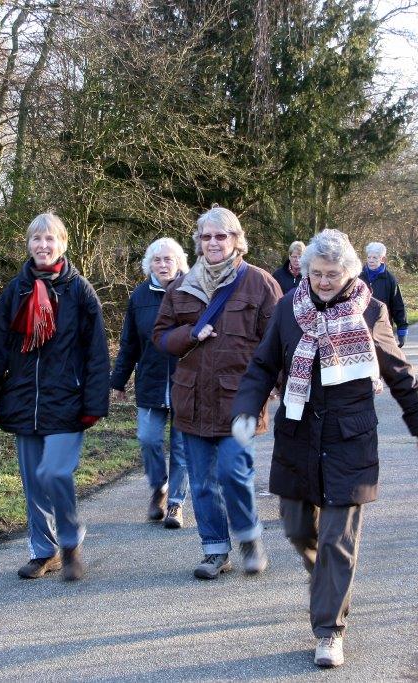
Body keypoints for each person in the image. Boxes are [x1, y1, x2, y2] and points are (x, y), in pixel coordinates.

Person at [231, 229, 418, 668]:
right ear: (305, 271)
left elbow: (399, 374)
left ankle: (329, 631)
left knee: (337, 540)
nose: (323, 282)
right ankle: (329, 583)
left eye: (332, 274)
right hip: (298, 434)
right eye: (316, 273)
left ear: (349, 273)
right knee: (295, 528)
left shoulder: (372, 311)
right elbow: (264, 364)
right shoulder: (289, 307)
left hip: (349, 439)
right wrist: (246, 410)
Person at [0, 212, 109, 583]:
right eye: (36, 239)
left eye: (50, 239)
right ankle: (43, 551)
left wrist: (95, 404)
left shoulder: (80, 292)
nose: (43, 246)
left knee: (55, 472)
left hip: (68, 402)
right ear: (28, 244)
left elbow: (96, 353)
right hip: (22, 400)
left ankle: (69, 542)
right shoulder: (15, 291)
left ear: (63, 244)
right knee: (33, 480)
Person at [153, 206, 283, 580]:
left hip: (240, 400)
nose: (213, 242)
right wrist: (189, 334)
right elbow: (160, 337)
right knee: (203, 482)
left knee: (233, 473)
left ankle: (249, 536)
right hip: (191, 400)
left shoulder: (259, 284)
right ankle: (214, 551)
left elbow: (277, 341)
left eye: (221, 236)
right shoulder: (181, 287)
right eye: (207, 236)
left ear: (236, 240)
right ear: (198, 242)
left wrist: (281, 387)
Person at [110, 238, 191, 529]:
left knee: (182, 448)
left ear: (179, 262)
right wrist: (119, 379)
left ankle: (176, 505)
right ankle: (159, 486)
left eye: (168, 259)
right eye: (157, 260)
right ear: (149, 264)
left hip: (186, 382)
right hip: (150, 381)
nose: (163, 264)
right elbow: (129, 342)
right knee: (148, 438)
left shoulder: (192, 292)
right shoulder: (139, 296)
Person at [362, 241, 408, 347]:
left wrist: (402, 330)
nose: (371, 261)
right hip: (362, 326)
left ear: (382, 259)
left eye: (375, 258)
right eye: (369, 257)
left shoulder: (390, 280)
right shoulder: (359, 276)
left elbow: (398, 305)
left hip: (383, 326)